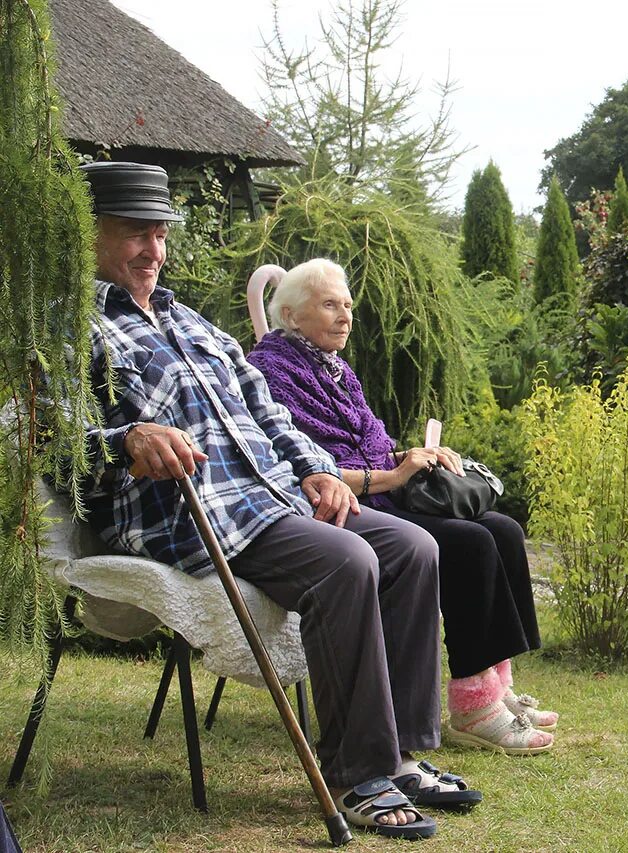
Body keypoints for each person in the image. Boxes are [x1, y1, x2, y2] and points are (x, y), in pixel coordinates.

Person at [76, 161, 480, 840]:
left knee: (413, 547)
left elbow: (271, 415)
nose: (153, 251)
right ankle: (360, 775)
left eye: (160, 234)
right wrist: (124, 439)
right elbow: (46, 438)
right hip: (196, 515)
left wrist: (318, 470)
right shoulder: (71, 326)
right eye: (134, 235)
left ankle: (402, 753)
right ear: (92, 236)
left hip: (273, 499)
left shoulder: (195, 324)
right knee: (346, 562)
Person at [247, 258, 557, 756]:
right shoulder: (269, 371)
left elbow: (372, 443)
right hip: (336, 508)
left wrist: (418, 456)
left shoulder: (336, 368)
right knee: (470, 543)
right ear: (289, 315)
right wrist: (392, 475)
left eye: (348, 305)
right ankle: (473, 707)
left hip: (382, 491)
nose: (344, 316)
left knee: (502, 529)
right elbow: (300, 465)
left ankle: (496, 689)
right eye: (329, 305)